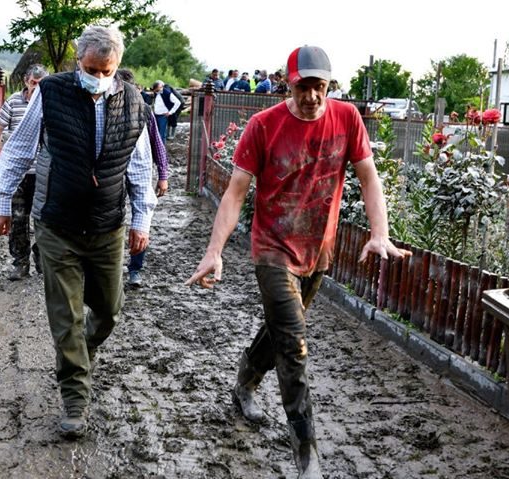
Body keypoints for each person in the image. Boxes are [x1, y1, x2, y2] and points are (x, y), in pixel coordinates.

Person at [186, 45, 410, 477]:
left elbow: (369, 178)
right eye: (303, 86)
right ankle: (306, 451)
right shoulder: (263, 126)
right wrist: (213, 251)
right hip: (271, 248)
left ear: (329, 86)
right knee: (294, 345)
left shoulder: (347, 119)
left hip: (318, 250)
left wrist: (380, 233)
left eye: (319, 86)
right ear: (288, 85)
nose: (312, 96)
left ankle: (245, 381)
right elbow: (234, 194)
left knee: (279, 330)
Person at [0, 25, 158, 439]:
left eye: (107, 70)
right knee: (65, 318)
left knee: (109, 310)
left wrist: (142, 220)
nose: (98, 77)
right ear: (78, 62)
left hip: (107, 227)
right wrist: (2, 202)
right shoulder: (51, 93)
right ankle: (75, 399)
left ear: (116, 67)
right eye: (90, 68)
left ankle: (78, 354)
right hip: (57, 224)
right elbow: (19, 148)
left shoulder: (135, 102)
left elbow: (140, 166)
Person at [0, 63, 49, 280]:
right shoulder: (13, 102)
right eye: (33, 83)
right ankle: (20, 263)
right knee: (18, 219)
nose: (36, 87)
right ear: (26, 81)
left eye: (40, 84)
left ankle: (41, 258)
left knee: (44, 219)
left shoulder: (49, 103)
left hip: (43, 171)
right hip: (18, 173)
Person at [116, 68, 169, 287]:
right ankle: (110, 265)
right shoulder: (105, 110)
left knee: (141, 217)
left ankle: (135, 269)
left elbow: (157, 143)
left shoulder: (144, 111)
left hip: (139, 169)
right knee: (112, 217)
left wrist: (163, 174)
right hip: (114, 172)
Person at [150, 80, 182, 144]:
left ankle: (161, 151)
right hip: (155, 115)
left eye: (156, 89)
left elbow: (178, 102)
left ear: (159, 87)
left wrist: (170, 112)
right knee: (156, 133)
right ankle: (157, 149)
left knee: (162, 134)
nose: (155, 90)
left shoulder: (167, 93)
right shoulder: (156, 93)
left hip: (163, 116)